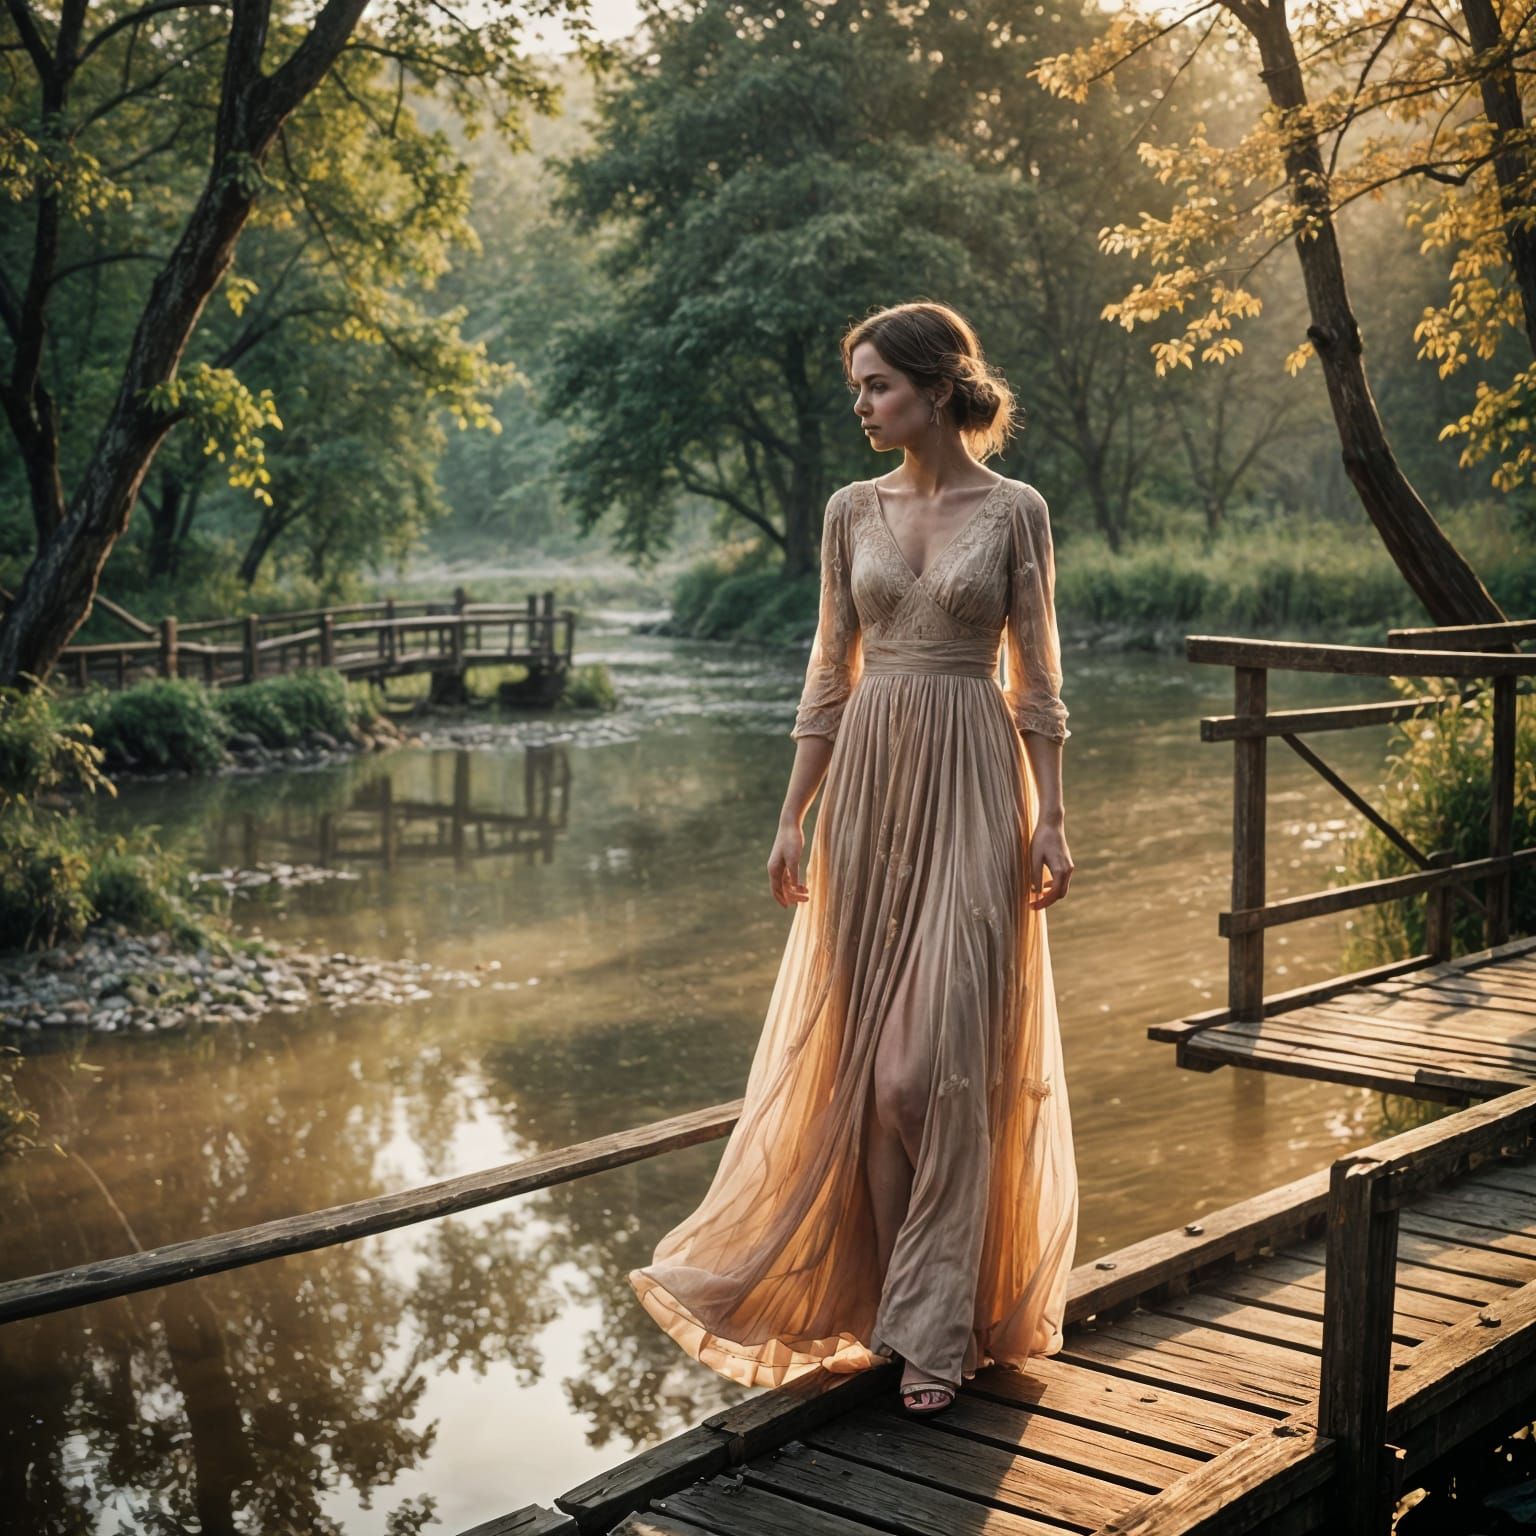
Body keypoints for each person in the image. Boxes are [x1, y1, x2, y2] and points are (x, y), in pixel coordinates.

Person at [629, 300, 1078, 1418]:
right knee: (868, 1078)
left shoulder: (1016, 511)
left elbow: (1037, 677)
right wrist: (793, 815)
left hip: (976, 782)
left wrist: (1054, 817)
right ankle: (895, 1316)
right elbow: (830, 670)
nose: (864, 406)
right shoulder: (847, 511)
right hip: (870, 791)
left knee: (929, 1070)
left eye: (878, 386)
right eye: (858, 388)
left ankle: (939, 1319)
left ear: (936, 388)